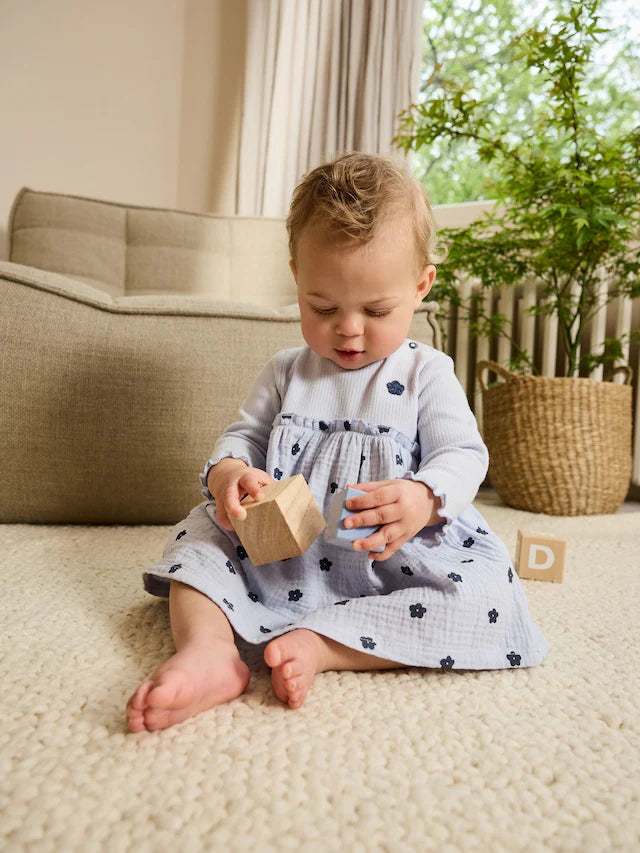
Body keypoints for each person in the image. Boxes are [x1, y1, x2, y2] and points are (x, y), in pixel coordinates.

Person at [126, 153, 548, 733]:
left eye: (377, 310)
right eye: (323, 308)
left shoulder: (427, 373)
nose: (349, 328)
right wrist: (231, 474)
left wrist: (424, 497)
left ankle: (327, 644)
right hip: (277, 553)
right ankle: (209, 650)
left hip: (388, 557)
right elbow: (245, 435)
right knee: (197, 542)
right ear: (297, 275)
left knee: (486, 595)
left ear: (421, 285)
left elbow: (464, 455)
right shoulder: (286, 371)